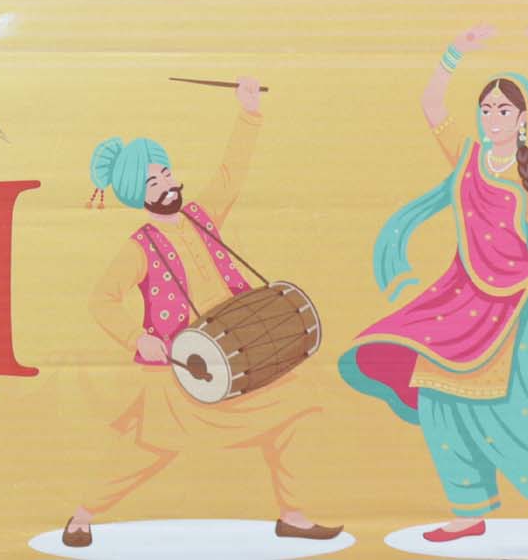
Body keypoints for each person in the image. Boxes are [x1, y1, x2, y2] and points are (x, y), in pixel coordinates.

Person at [341, 26, 528, 542]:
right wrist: (455, 54)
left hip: (518, 302)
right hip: (460, 297)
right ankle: (468, 512)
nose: (493, 117)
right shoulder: (466, 156)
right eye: (486, 108)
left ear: (523, 119)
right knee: (438, 399)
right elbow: (431, 105)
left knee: (520, 405)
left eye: (503, 110)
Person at [61, 80, 342, 548]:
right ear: (137, 194)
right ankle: (82, 516)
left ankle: (292, 514)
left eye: (165, 174)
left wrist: (248, 113)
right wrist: (136, 338)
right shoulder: (140, 247)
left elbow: (231, 175)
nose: (166, 185)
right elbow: (102, 299)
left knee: (293, 404)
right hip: (182, 371)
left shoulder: (201, 214)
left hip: (238, 350)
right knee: (146, 450)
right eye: (152, 182)